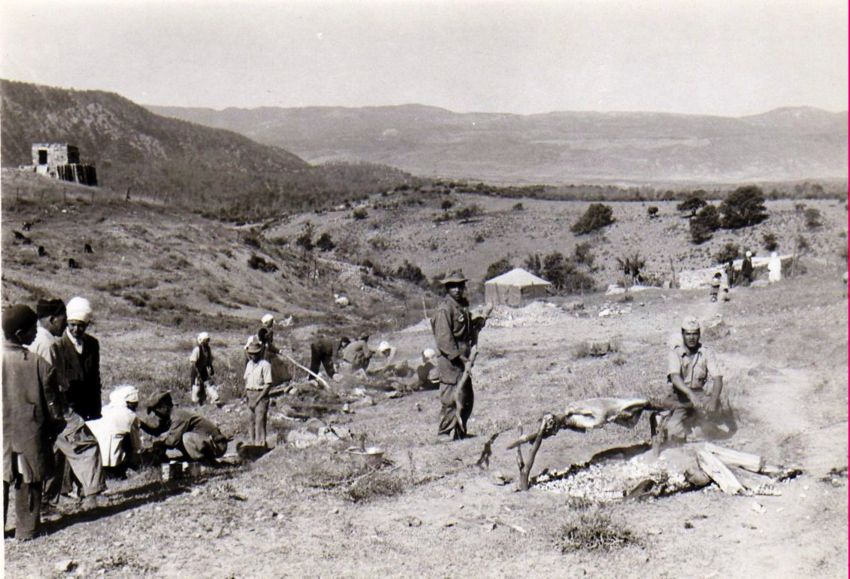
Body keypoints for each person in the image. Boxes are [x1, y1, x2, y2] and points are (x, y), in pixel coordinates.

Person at [29, 298, 105, 509]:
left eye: (81, 324)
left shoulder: (89, 344)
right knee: (84, 446)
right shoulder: (53, 343)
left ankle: (49, 501)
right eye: (68, 322)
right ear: (55, 319)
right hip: (59, 407)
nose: (70, 327)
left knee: (56, 451)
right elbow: (54, 381)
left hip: (56, 406)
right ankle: (89, 495)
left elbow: (93, 376)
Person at [3, 305, 64, 540]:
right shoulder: (39, 364)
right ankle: (26, 530)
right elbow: (53, 405)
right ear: (20, 334)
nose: (36, 333)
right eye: (31, 330)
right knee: (29, 479)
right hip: (29, 432)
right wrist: (55, 427)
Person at [432, 270, 490, 439]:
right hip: (451, 362)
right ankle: (444, 434)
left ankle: (459, 432)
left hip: (464, 361)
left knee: (466, 398)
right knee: (451, 399)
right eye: (452, 286)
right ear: (447, 288)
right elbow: (444, 340)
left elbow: (465, 330)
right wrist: (461, 358)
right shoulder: (444, 309)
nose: (457, 289)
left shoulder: (462, 306)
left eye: (459, 286)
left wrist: (476, 324)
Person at [657, 316, 724, 444]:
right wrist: (690, 395)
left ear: (699, 334)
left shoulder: (706, 352)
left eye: (694, 334)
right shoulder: (675, 352)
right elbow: (675, 377)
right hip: (680, 397)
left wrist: (714, 400)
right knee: (673, 430)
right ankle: (685, 431)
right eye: (688, 334)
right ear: (682, 334)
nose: (691, 338)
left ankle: (697, 429)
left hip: (699, 395)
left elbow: (718, 378)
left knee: (711, 427)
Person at [141, 391, 228, 462]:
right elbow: (157, 432)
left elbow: (172, 442)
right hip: (208, 443)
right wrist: (141, 425)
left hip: (218, 445)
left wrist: (158, 445)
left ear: (164, 406)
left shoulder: (178, 416)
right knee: (179, 438)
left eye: (156, 411)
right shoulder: (170, 416)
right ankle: (195, 459)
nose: (156, 414)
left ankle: (204, 463)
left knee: (186, 437)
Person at [60, 297, 102, 421]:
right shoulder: (58, 345)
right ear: (67, 323)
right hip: (68, 409)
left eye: (81, 326)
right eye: (73, 325)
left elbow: (95, 378)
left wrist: (96, 411)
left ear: (87, 324)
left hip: (88, 407)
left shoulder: (92, 343)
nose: (76, 329)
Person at [85, 385, 142, 476]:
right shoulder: (130, 415)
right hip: (112, 464)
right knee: (128, 439)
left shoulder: (103, 410)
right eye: (133, 403)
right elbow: (136, 445)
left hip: (93, 460)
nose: (135, 406)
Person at [244, 336, 273, 447]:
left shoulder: (265, 365)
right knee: (250, 420)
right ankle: (251, 443)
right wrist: (246, 395)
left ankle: (260, 444)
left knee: (260, 420)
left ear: (260, 353)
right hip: (250, 394)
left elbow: (267, 385)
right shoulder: (249, 364)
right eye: (251, 353)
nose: (253, 356)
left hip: (261, 395)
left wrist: (257, 399)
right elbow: (246, 380)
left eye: (255, 353)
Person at [189, 332, 218, 405]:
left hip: (203, 369)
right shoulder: (197, 350)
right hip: (196, 370)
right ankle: (195, 401)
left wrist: (211, 368)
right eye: (206, 340)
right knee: (196, 386)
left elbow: (209, 360)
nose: (207, 342)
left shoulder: (208, 349)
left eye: (208, 340)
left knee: (208, 383)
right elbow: (193, 363)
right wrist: (197, 374)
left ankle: (215, 398)